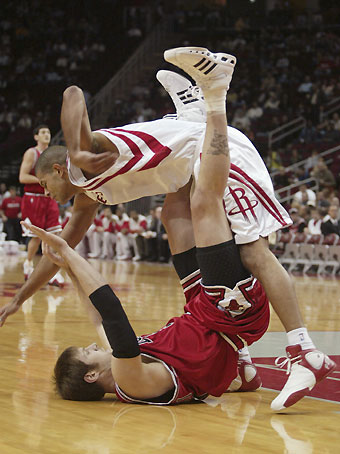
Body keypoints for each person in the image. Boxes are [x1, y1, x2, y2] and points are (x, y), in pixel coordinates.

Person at [0, 47, 335, 410]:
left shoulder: (86, 159)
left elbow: (72, 94)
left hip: (217, 152)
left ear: (59, 169)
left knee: (233, 238)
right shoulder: (85, 198)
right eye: (88, 352)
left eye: (46, 186)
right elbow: (80, 279)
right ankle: (208, 102)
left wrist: (79, 152)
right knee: (183, 214)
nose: (46, 194)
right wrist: (22, 296)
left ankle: (294, 352)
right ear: (92, 375)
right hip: (201, 190)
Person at [19, 124, 64, 286]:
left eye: (49, 132)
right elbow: (22, 177)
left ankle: (51, 271)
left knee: (54, 235)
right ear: (36, 136)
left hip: (50, 197)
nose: (47, 135)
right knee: (36, 237)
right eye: (43, 132)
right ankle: (29, 264)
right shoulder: (32, 153)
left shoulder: (53, 154)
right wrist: (42, 181)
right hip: (33, 198)